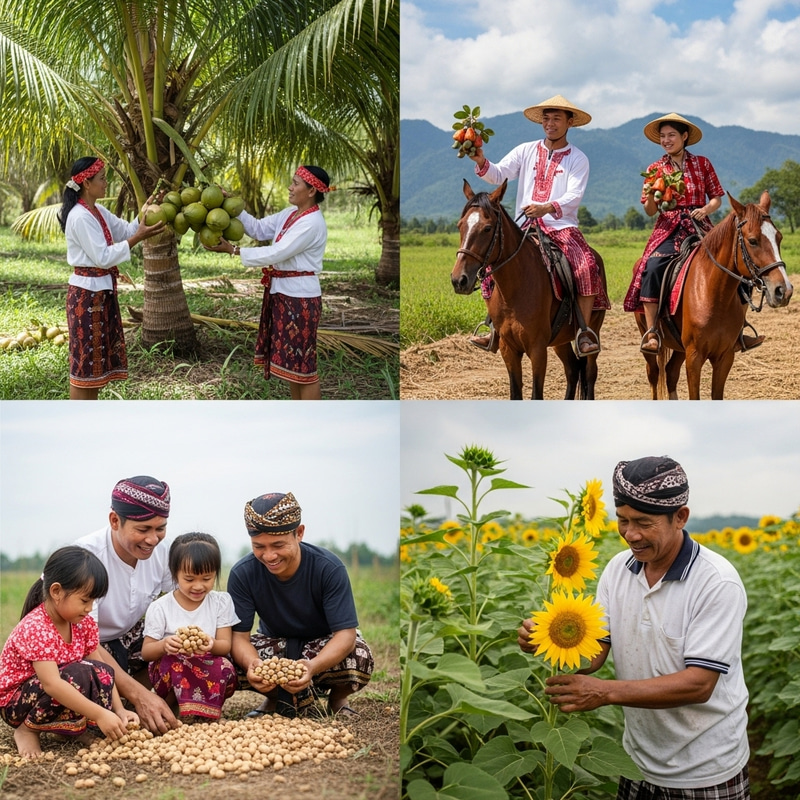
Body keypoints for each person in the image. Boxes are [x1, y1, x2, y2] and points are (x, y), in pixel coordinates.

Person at [517, 456, 750, 799]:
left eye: (643, 522)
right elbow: (596, 651)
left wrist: (602, 692)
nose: (631, 534)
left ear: (680, 517)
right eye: (622, 520)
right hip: (637, 760)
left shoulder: (716, 582)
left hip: (705, 769)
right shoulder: (617, 570)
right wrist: (553, 638)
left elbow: (699, 685)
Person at [467, 95, 609, 355]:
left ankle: (583, 331)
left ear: (570, 122)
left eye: (556, 118)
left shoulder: (578, 159)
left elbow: (574, 195)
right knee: (490, 267)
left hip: (561, 227)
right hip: (523, 228)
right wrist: (480, 161)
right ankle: (495, 329)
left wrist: (547, 207)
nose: (550, 123)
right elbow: (498, 174)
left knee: (586, 265)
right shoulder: (526, 150)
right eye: (546, 118)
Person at [624, 113, 763, 353]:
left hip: (701, 226)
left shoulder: (702, 163)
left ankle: (738, 330)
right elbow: (649, 211)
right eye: (663, 137)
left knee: (737, 266)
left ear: (684, 136)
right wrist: (649, 195)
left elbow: (717, 198)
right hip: (668, 227)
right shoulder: (655, 169)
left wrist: (705, 209)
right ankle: (652, 331)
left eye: (671, 135)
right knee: (652, 267)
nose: (666, 140)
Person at [227, 492, 374, 718]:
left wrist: (312, 666)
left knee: (360, 655)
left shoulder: (329, 568)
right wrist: (253, 664)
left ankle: (337, 698)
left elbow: (345, 634)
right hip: (274, 647)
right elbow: (239, 638)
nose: (269, 556)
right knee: (226, 658)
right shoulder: (242, 573)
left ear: (299, 533)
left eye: (278, 544)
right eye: (259, 546)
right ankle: (274, 698)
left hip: (320, 646)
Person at [203, 166, 333, 399]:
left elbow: (277, 253)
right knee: (294, 370)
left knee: (305, 369)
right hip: (283, 295)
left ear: (312, 190)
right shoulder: (289, 214)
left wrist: (233, 250)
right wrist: (230, 202)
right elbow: (258, 228)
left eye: (295, 184)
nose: (290, 188)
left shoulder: (312, 223)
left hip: (300, 299)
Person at [0, 547, 139, 757]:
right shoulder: (37, 627)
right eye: (85, 601)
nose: (89, 608)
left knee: (95, 670)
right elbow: (52, 684)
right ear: (56, 592)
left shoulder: (83, 624)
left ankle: (72, 729)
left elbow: (103, 671)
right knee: (78, 674)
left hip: (49, 693)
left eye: (93, 601)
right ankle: (27, 730)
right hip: (17, 703)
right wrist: (100, 714)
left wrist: (119, 710)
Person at [73, 475, 178, 734]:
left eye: (160, 528)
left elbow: (182, 604)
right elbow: (85, 642)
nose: (153, 539)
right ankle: (132, 699)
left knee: (182, 638)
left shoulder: (163, 554)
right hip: (88, 646)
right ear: (114, 521)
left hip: (130, 641)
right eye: (143, 530)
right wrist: (141, 695)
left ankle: (165, 703)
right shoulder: (85, 558)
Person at [58, 156, 165, 400]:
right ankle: (78, 424)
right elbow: (103, 258)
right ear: (87, 183)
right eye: (102, 179)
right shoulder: (80, 216)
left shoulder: (97, 211)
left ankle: (90, 424)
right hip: (87, 297)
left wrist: (144, 213)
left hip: (100, 293)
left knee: (96, 367)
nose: (107, 183)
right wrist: (138, 238)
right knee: (84, 367)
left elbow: (126, 230)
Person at [141, 533, 239, 721]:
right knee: (177, 664)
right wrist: (164, 645)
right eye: (189, 579)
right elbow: (147, 652)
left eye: (206, 578)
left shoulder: (220, 602)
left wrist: (210, 644)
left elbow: (225, 646)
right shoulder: (161, 607)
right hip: (172, 665)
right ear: (174, 573)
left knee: (224, 666)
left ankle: (205, 713)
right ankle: (171, 708)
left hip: (207, 663)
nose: (198, 586)